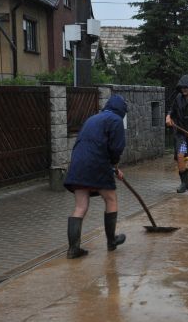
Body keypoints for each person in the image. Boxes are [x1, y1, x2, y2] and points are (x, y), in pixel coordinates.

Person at [63, 95, 128, 259]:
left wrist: (114, 168)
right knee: (111, 199)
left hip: (78, 163)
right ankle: (111, 241)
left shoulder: (93, 118)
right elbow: (116, 148)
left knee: (80, 206)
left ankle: (73, 249)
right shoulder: (116, 120)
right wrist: (114, 165)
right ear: (121, 111)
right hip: (97, 164)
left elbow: (92, 144)